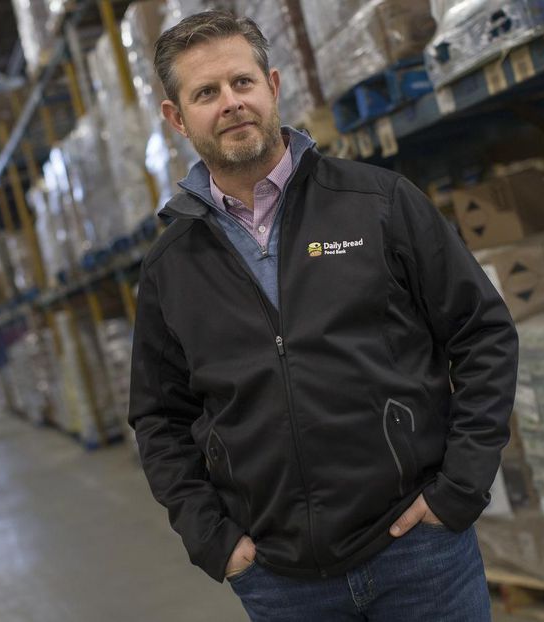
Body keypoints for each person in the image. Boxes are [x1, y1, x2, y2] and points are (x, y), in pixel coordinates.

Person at [128, 10, 519, 621]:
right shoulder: (170, 265)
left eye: (242, 82)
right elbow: (159, 417)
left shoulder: (378, 203)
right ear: (177, 117)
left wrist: (460, 487)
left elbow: (483, 333)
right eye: (206, 93)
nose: (231, 103)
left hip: (419, 555)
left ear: (274, 87)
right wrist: (214, 539)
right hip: (281, 581)